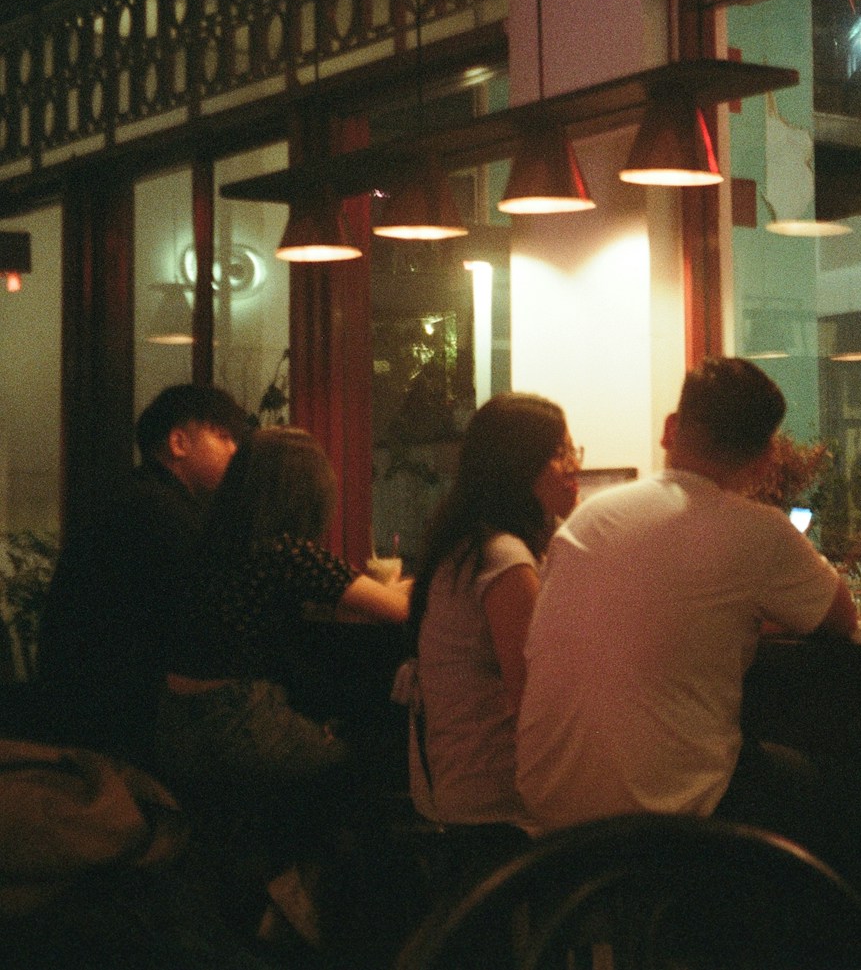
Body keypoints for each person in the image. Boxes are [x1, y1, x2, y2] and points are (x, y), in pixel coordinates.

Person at [516, 358, 856, 836]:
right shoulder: (758, 529)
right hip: (671, 814)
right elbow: (840, 619)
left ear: (670, 429)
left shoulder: (590, 516)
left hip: (551, 803)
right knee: (822, 789)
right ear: (763, 461)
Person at [153, 427, 411, 944]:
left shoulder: (211, 544)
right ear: (308, 494)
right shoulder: (287, 553)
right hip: (239, 723)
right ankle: (324, 916)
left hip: (172, 724)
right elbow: (400, 610)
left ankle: (274, 897)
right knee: (365, 770)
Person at [37, 383, 249, 764]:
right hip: (117, 721)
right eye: (223, 437)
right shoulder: (159, 512)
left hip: (86, 704)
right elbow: (210, 621)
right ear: (179, 443)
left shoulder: (141, 497)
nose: (234, 451)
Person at [402, 393, 578, 835]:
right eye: (559, 453)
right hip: (492, 799)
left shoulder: (469, 543)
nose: (574, 465)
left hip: (457, 787)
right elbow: (530, 697)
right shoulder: (504, 557)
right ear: (518, 467)